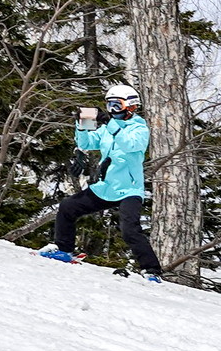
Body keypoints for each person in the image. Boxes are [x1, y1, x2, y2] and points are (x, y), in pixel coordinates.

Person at [39, 84, 164, 281]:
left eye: (117, 105)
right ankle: (63, 249)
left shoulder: (139, 129)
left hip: (129, 189)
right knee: (68, 206)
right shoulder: (107, 129)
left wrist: (110, 124)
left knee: (129, 229)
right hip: (106, 188)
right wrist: (83, 122)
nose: (112, 110)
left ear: (130, 106)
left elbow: (130, 144)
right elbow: (86, 143)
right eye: (109, 105)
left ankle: (152, 271)